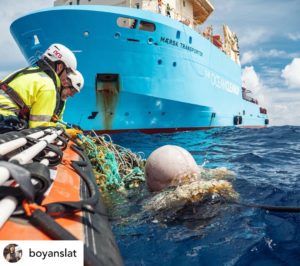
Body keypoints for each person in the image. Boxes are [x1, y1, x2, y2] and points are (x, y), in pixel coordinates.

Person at [0, 43, 84, 134]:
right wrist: (65, 131)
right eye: (67, 72)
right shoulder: (48, 85)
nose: (65, 77)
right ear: (60, 67)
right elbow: (38, 128)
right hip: (5, 120)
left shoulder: (25, 72)